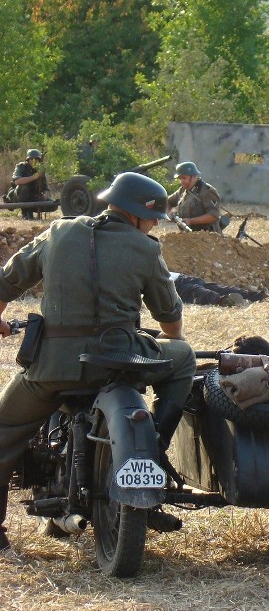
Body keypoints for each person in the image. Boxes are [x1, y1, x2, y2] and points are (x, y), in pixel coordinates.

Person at [0, 172, 197, 554]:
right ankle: (154, 444)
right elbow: (170, 321)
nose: (155, 224)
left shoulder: (57, 232)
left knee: (4, 429)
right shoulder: (145, 248)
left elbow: (8, 281)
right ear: (139, 215)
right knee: (184, 355)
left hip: (51, 369)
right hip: (120, 363)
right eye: (154, 217)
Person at [167, 161, 223, 232]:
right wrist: (169, 213)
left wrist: (191, 221)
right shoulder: (183, 190)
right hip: (188, 236)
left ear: (193, 177)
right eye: (180, 178)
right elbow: (168, 201)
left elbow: (214, 215)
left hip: (207, 236)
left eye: (184, 178)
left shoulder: (207, 191)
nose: (181, 181)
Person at [169, 272, 266, 307]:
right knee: (212, 289)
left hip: (177, 282)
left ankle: (222, 301)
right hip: (179, 279)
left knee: (201, 291)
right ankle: (252, 296)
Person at [10, 149, 49, 220]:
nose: (34, 161)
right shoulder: (21, 166)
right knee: (25, 188)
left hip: (34, 196)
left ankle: (31, 209)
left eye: (37, 159)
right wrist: (34, 177)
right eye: (32, 159)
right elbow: (17, 181)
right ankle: (25, 213)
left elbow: (46, 187)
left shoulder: (40, 169)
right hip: (19, 195)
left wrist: (45, 196)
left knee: (52, 205)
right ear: (28, 160)